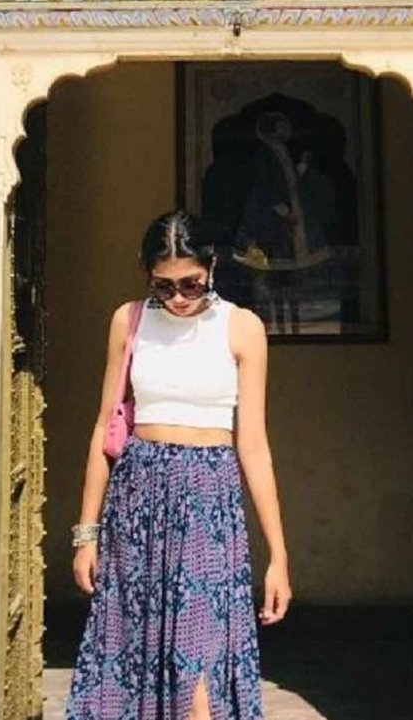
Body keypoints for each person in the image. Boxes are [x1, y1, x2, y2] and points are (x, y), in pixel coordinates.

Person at [66, 210, 291, 719]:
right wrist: (86, 534)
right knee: (136, 654)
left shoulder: (242, 328)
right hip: (138, 502)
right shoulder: (129, 320)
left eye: (191, 283)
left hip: (210, 506)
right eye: (164, 286)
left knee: (199, 678)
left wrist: (278, 555)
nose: (179, 298)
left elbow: (254, 445)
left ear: (212, 266)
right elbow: (104, 428)